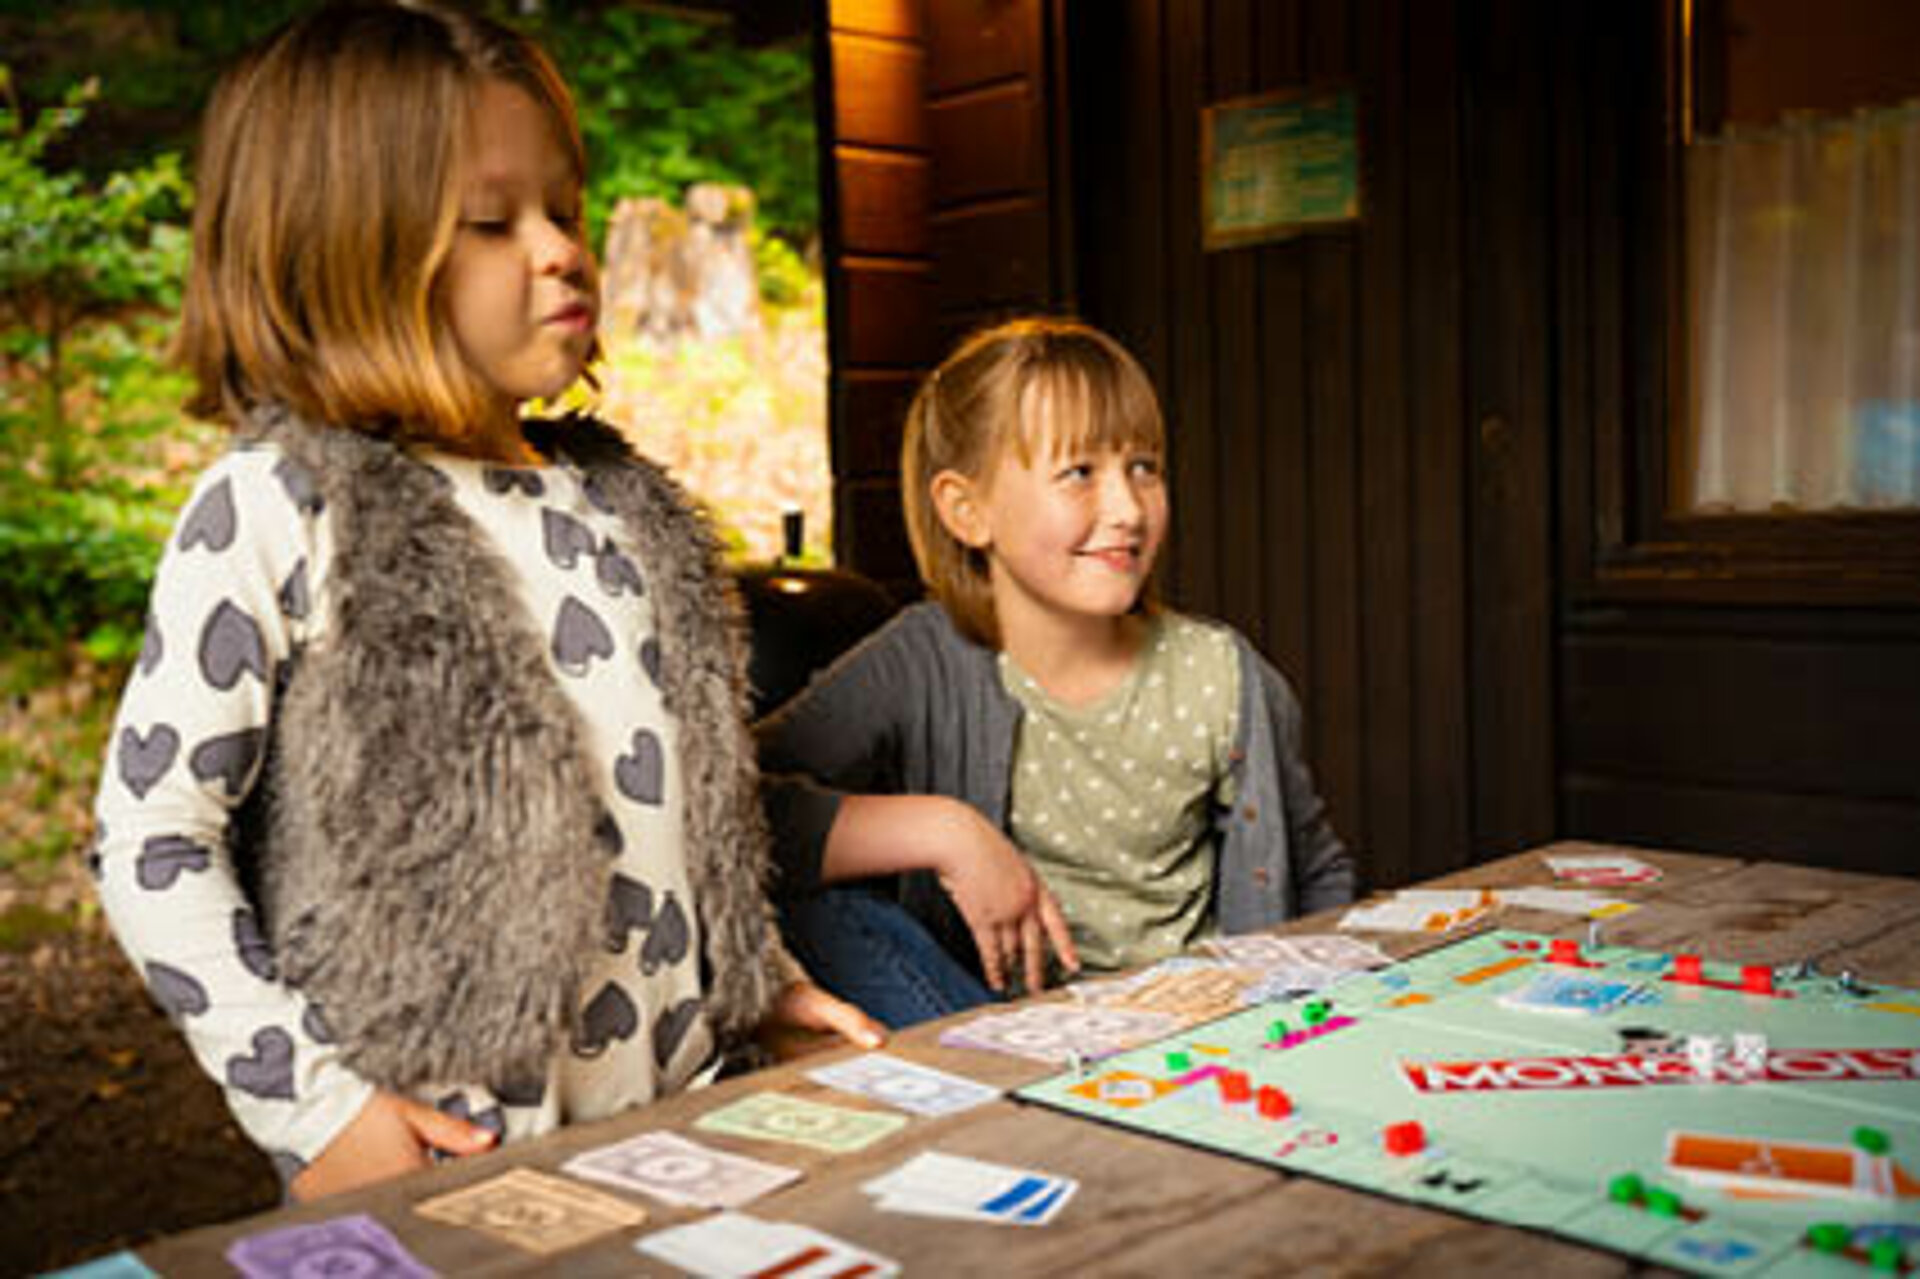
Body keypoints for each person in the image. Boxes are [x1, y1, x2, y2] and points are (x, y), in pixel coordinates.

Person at [89, 0, 879, 1202]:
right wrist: (320, 1110)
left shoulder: (626, 506)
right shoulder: (280, 502)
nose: (562, 249)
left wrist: (761, 981)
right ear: (338, 251)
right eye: (490, 223)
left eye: (562, 208)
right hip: (455, 1171)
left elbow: (684, 808)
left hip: (685, 1136)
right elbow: (150, 837)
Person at [758, 317, 1358, 1028]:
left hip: (1197, 1031)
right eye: (1079, 473)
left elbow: (1318, 870)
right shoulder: (920, 659)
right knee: (808, 897)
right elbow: (721, 811)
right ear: (967, 509)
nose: (1127, 508)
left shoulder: (1222, 676)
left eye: (1145, 467)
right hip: (990, 1027)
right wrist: (941, 829)